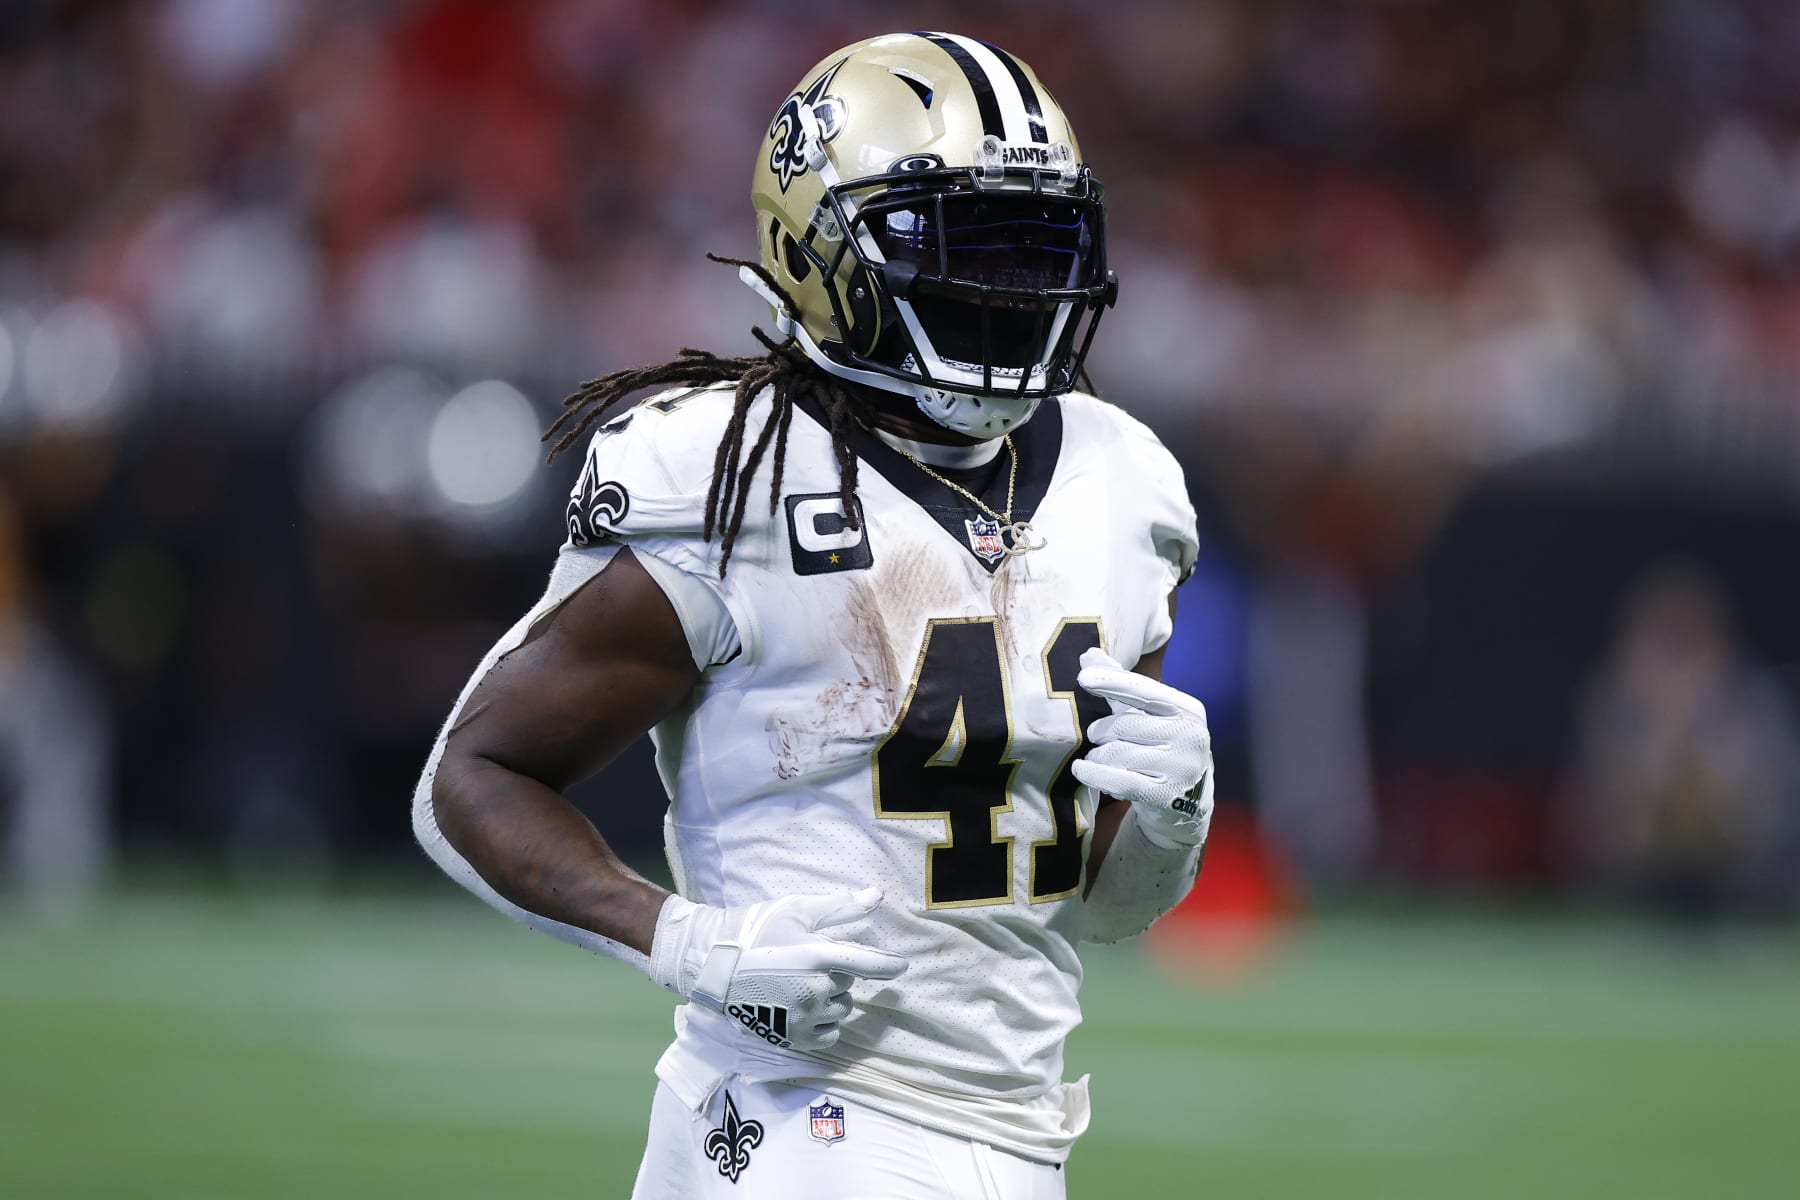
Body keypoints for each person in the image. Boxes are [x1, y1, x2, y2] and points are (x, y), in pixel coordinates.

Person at [414, 32, 1213, 1198]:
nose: (1011, 289)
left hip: (1011, 1127)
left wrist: (1175, 819)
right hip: (799, 1121)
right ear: (819, 246)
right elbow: (472, 775)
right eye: (963, 246)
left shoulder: (1124, 481)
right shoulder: (728, 472)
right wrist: (686, 941)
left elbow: (1108, 904)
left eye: (1038, 247)